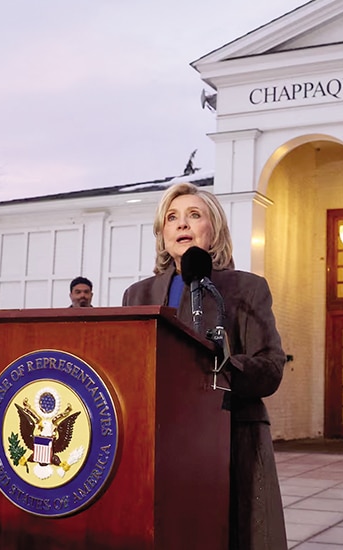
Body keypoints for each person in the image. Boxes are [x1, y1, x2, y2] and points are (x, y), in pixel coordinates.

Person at [122, 182, 287, 550]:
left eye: (194, 216)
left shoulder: (247, 287)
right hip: (161, 442)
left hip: (232, 438)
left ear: (214, 231)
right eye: (172, 218)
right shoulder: (138, 295)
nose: (182, 225)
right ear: (162, 233)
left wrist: (222, 366)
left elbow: (271, 367)